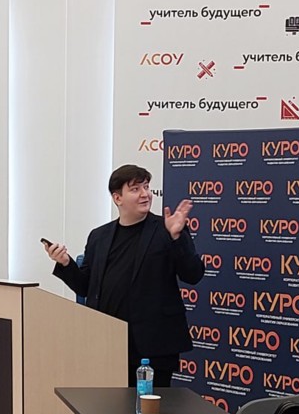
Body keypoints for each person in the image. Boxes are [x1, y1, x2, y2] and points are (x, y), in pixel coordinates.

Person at [45, 164, 204, 386]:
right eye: (135, 189)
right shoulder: (99, 236)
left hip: (154, 345)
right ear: (117, 198)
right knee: (108, 406)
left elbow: (193, 274)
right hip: (108, 342)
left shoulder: (166, 229)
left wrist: (177, 237)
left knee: (150, 406)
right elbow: (86, 287)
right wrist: (65, 263)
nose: (145, 194)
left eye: (146, 187)